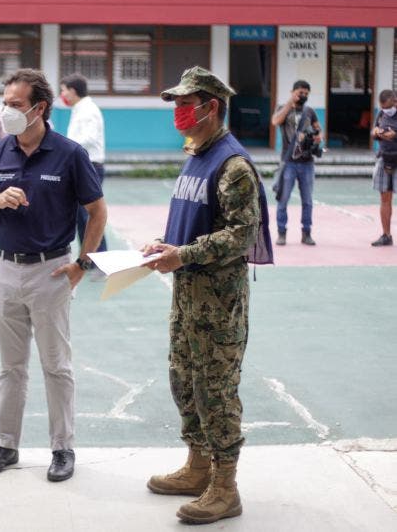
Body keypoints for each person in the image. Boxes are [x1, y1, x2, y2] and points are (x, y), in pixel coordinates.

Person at [142, 66, 273, 525]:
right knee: (184, 380)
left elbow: (241, 234)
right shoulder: (197, 155)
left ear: (210, 106)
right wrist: (166, 245)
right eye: (176, 103)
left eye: (185, 103)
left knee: (215, 390)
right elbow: (195, 219)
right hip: (187, 296)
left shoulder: (232, 165)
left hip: (218, 303)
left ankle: (225, 485)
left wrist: (184, 254)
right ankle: (198, 466)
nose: (178, 111)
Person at [0, 68, 107, 483]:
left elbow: (97, 211)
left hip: (52, 270)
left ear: (39, 108)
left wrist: (82, 264)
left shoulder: (69, 154)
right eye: (5, 103)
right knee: (10, 368)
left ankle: (62, 448)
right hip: (6, 269)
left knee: (56, 365)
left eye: (14, 105)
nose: (6, 112)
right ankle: (6, 445)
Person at [60, 73, 108, 254]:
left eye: (63, 90)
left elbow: (89, 138)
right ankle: (87, 256)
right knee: (81, 216)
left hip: (91, 166)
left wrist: (65, 146)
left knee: (91, 214)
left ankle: (99, 258)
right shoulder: (80, 109)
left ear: (72, 90)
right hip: (82, 165)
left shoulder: (88, 110)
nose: (62, 95)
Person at [271, 79, 322, 246]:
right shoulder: (283, 109)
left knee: (307, 200)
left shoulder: (310, 111)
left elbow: (318, 130)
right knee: (283, 199)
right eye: (300, 92)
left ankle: (306, 233)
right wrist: (289, 104)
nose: (303, 96)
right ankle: (281, 233)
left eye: (306, 94)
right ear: (293, 92)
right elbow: (275, 121)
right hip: (289, 163)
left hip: (307, 162)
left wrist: (316, 136)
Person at [371, 88, 397, 247]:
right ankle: (386, 235)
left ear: (395, 101)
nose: (386, 110)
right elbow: (374, 132)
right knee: (385, 199)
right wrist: (376, 132)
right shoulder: (381, 114)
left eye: (389, 106)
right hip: (384, 159)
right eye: (383, 107)